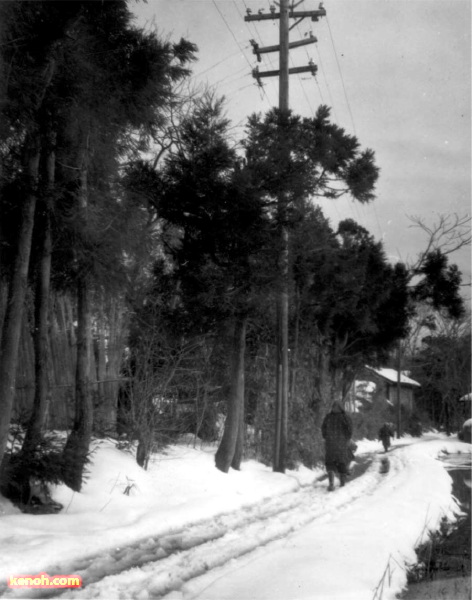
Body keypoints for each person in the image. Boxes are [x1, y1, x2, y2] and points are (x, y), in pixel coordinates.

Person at [321, 401, 353, 491]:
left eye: (335, 407)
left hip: (330, 443)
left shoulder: (328, 417)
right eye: (334, 406)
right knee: (341, 462)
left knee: (330, 463)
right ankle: (341, 483)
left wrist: (326, 437)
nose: (334, 408)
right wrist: (346, 438)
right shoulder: (345, 417)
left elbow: (323, 428)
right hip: (340, 444)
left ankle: (332, 483)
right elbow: (349, 430)